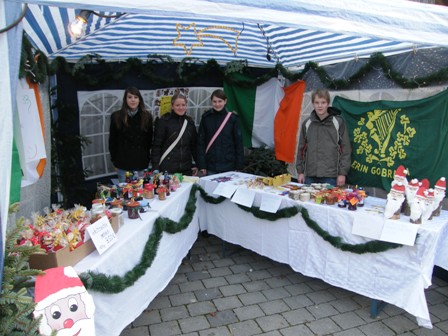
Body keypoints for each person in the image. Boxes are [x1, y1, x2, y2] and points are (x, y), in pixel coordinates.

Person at [296, 89, 351, 187]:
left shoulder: (338, 122)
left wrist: (342, 173)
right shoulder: (307, 123)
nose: (320, 106)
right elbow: (301, 149)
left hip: (331, 176)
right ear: (313, 103)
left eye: (323, 102)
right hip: (310, 176)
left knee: (329, 202)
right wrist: (300, 172)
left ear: (328, 103)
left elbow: (345, 150)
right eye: (317, 102)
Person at [109, 87, 153, 182]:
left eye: (135, 97)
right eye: (130, 97)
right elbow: (112, 141)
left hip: (140, 162)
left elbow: (149, 140)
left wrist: (146, 158)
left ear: (139, 100)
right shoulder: (116, 116)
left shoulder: (147, 116)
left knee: (140, 193)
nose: (133, 100)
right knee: (125, 193)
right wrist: (114, 161)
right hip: (123, 163)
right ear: (125, 99)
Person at [197, 89, 244, 176]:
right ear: (211, 102)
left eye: (220, 101)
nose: (217, 104)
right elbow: (201, 143)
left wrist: (239, 166)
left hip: (229, 166)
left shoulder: (233, 119)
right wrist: (202, 165)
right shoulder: (206, 118)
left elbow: (238, 143)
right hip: (211, 166)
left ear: (225, 101)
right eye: (214, 101)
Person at [151, 93, 198, 176]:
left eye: (183, 105)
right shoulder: (164, 122)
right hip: (167, 170)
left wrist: (198, 164)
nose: (181, 108)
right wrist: (155, 167)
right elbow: (156, 146)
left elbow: (194, 146)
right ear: (172, 106)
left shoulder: (190, 123)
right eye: (177, 105)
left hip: (186, 169)